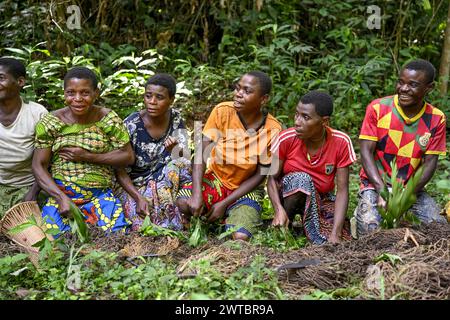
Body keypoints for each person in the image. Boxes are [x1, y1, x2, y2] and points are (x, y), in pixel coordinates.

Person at [177, 71, 282, 240]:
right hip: (216, 179)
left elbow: (260, 176)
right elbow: (201, 154)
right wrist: (197, 194)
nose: (239, 94)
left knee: (240, 236)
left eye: (247, 91)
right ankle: (214, 218)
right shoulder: (222, 111)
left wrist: (223, 203)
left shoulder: (273, 129)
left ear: (263, 99)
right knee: (184, 202)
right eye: (238, 88)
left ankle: (225, 216)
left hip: (245, 189)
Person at [32, 67, 134, 236]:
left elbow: (128, 156)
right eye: (71, 93)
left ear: (96, 93)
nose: (78, 99)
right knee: (53, 240)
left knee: (116, 236)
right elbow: (39, 165)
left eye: (85, 93)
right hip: (62, 194)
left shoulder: (107, 119)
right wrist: (60, 198)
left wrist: (88, 157)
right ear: (64, 93)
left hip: (100, 194)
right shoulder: (51, 122)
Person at [355, 59, 447, 235]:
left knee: (439, 228)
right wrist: (382, 191)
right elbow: (366, 151)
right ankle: (362, 213)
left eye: (413, 85)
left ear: (429, 88)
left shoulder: (436, 118)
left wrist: (404, 197)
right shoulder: (378, 108)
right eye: (401, 82)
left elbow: (430, 163)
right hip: (376, 185)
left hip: (411, 189)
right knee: (370, 229)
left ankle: (403, 219)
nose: (403, 89)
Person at [268, 91, 356, 244]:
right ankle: (284, 226)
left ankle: (310, 230)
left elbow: (342, 190)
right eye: (296, 114)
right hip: (289, 195)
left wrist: (336, 233)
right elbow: (271, 178)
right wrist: (278, 210)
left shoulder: (341, 142)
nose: (297, 121)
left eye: (305, 117)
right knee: (302, 180)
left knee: (342, 233)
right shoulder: (286, 139)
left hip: (321, 198)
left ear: (324, 121)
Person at [116, 73, 191, 231]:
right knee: (141, 223)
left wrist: (174, 151)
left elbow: (184, 160)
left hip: (164, 179)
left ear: (171, 100)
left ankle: (180, 212)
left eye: (159, 97)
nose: (152, 102)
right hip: (134, 185)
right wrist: (138, 197)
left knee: (179, 165)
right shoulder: (131, 124)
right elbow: (119, 169)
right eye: (148, 96)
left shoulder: (176, 119)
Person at [0, 57, 48, 218]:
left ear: (20, 82)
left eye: (1, 78)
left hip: (28, 186)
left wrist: (33, 193)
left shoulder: (37, 114)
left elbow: (48, 161)